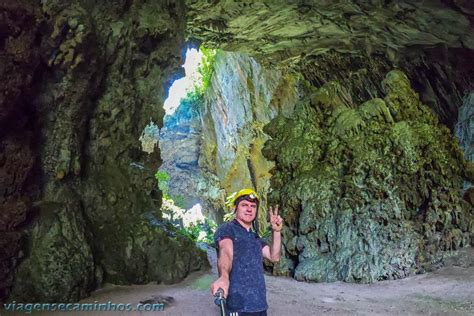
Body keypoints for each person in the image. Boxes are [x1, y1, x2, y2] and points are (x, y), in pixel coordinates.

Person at [210, 188, 283, 316]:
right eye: (244, 205)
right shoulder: (227, 229)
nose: (249, 209)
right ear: (235, 208)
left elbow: (274, 256)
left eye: (253, 206)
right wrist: (224, 277)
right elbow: (226, 252)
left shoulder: (255, 237)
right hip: (238, 306)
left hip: (260, 305)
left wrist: (276, 232)